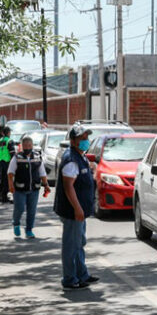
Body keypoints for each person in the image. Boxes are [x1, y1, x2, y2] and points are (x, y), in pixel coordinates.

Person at [53, 124, 99, 290]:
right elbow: (68, 187)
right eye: (82, 138)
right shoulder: (71, 159)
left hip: (80, 211)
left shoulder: (80, 156)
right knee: (71, 245)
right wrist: (78, 208)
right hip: (72, 211)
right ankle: (70, 278)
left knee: (79, 243)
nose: (86, 140)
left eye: (87, 137)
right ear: (73, 141)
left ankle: (81, 274)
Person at [8, 135, 51, 239]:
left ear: (32, 146)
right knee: (20, 208)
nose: (28, 147)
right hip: (20, 189)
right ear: (22, 146)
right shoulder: (17, 157)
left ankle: (29, 230)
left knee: (32, 211)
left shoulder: (37, 157)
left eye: (30, 145)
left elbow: (42, 173)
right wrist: (11, 185)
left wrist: (46, 185)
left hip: (34, 189)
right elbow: (10, 173)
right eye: (26, 146)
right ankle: (16, 223)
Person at [0, 126, 14, 203]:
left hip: (1, 162)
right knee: (7, 179)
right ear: (8, 133)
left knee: (2, 179)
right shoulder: (9, 141)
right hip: (8, 162)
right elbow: (12, 153)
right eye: (10, 132)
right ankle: (4, 196)